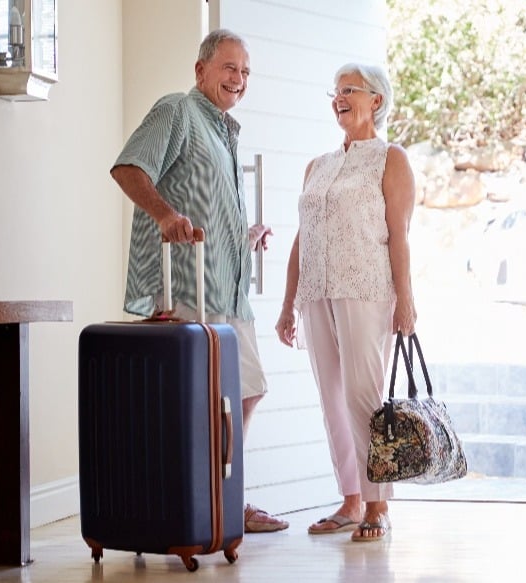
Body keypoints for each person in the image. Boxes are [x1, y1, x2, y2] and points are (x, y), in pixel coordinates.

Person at [110, 28, 288, 534]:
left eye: (246, 72)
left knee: (246, 393)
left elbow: (207, 202)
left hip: (229, 292)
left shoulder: (225, 132)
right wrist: (165, 215)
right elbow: (129, 168)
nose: (239, 79)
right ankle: (201, 503)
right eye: (230, 68)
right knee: (201, 402)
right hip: (189, 290)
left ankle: (223, 496)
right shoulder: (178, 112)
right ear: (201, 70)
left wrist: (244, 235)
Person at [274, 63, 417, 542]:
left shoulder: (390, 159)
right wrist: (287, 301)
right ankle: (351, 501)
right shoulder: (318, 166)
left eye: (348, 91)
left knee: (363, 397)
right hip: (317, 292)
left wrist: (407, 302)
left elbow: (399, 236)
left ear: (375, 100)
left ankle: (378, 503)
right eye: (334, 92)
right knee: (331, 399)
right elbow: (302, 238)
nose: (338, 98)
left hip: (366, 289)